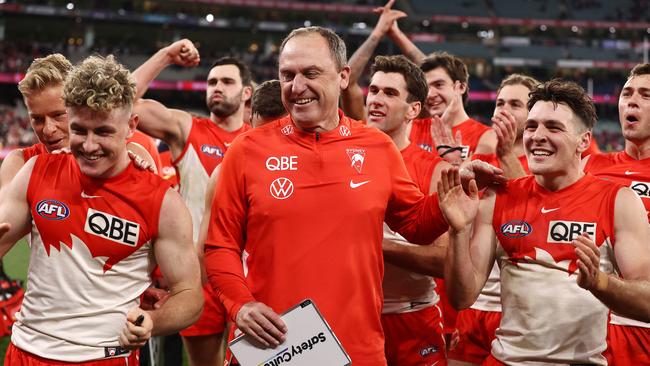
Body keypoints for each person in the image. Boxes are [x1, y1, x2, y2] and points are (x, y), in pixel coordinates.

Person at [204, 26, 453, 366]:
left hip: (358, 350)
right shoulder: (246, 151)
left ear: (343, 76)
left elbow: (416, 226)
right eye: (287, 75)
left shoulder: (377, 148)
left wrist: (448, 202)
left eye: (311, 73)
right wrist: (240, 304)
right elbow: (220, 247)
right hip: (273, 348)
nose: (297, 86)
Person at [2, 54, 203, 365]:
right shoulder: (35, 170)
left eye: (104, 132)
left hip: (105, 356)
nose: (90, 145)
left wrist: (152, 321)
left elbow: (190, 296)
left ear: (131, 126)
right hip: (27, 351)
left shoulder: (162, 201)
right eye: (80, 130)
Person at [439, 79, 650, 365]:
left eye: (553, 127)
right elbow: (462, 297)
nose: (537, 136)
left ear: (584, 141)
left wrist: (602, 283)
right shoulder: (499, 197)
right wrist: (459, 230)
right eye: (532, 126)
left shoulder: (619, 201)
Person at [133, 47, 253, 365]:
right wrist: (165, 56)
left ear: (247, 92)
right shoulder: (188, 129)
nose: (216, 87)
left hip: (252, 274)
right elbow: (123, 104)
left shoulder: (261, 138)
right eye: (212, 81)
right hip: (200, 272)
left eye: (227, 81)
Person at [365, 54, 452, 365]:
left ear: (414, 109)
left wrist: (375, 246)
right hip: (355, 316)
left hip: (411, 316)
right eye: (373, 90)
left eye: (390, 93)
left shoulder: (437, 171)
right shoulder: (342, 157)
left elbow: (444, 260)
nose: (375, 99)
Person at [447, 73, 538, 366]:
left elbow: (537, 215)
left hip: (517, 310)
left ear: (532, 113)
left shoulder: (544, 164)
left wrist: (506, 154)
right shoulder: (478, 161)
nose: (503, 111)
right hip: (473, 303)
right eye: (499, 103)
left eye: (515, 104)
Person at [582, 63, 650, 365]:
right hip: (596, 325)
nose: (631, 101)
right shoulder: (588, 168)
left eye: (646, 95)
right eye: (627, 94)